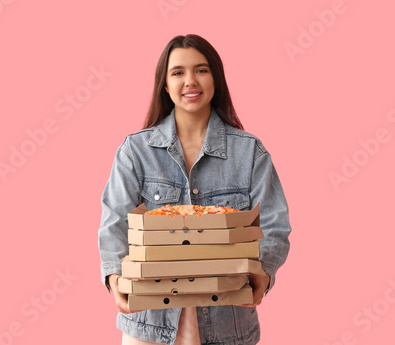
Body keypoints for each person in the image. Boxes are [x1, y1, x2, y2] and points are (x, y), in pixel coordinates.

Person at [98, 34, 291, 345]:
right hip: (150, 324)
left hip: (229, 322)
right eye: (178, 72)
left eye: (201, 70)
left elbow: (274, 224)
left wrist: (263, 272)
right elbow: (115, 222)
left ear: (216, 78)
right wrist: (114, 276)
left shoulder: (250, 152)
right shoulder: (135, 151)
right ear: (165, 84)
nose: (190, 81)